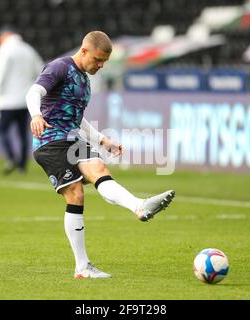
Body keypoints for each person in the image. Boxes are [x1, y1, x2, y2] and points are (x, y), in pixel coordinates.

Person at [25, 31, 175, 279]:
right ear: (83, 50)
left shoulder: (84, 79)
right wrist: (36, 115)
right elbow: (34, 93)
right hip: (50, 141)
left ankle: (139, 206)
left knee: (100, 170)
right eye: (97, 59)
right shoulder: (59, 67)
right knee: (76, 193)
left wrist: (103, 139)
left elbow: (77, 116)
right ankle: (82, 267)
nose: (101, 65)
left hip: (73, 138)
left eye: (104, 61)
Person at [0, 27, 44, 174]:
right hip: (24, 100)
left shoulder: (3, 50)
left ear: (5, 36)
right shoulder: (28, 50)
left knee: (2, 130)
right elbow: (40, 72)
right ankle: (22, 166)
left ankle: (11, 157)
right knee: (23, 133)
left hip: (6, 101)